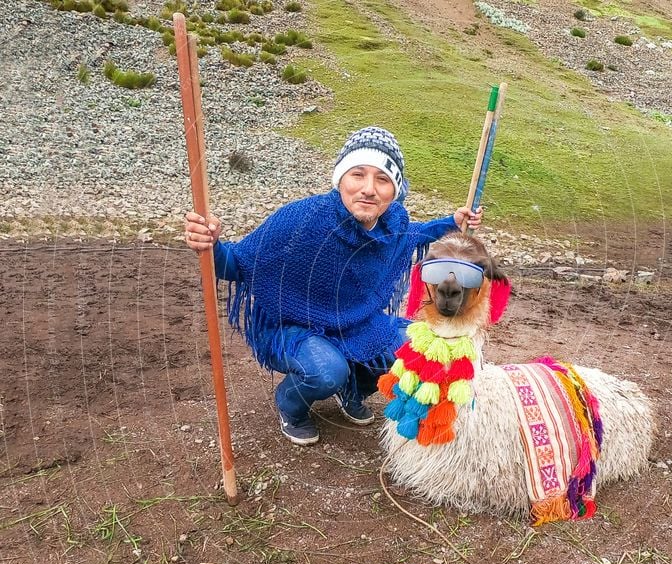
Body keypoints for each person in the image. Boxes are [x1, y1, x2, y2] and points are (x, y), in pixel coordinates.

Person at [185, 126, 482, 446]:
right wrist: (210, 246)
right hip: (292, 324)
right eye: (358, 174)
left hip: (354, 321)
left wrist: (452, 222)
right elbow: (236, 263)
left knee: (408, 346)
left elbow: (416, 235)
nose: (369, 189)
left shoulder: (392, 223)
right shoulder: (301, 220)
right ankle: (291, 406)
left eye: (382, 179)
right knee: (326, 370)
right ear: (340, 179)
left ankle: (351, 389)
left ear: (394, 191)